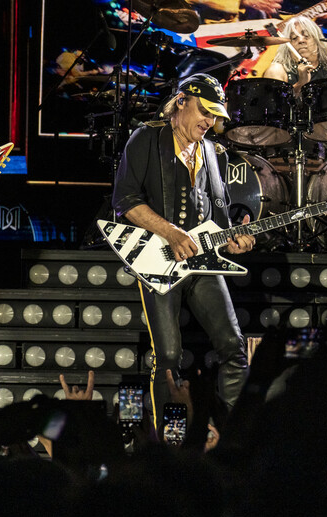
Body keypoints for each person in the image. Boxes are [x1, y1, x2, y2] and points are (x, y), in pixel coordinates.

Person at [110, 73, 256, 433]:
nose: (209, 122)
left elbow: (218, 219)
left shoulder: (213, 153)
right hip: (158, 260)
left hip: (202, 263)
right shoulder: (147, 138)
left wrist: (234, 240)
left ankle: (233, 435)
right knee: (168, 356)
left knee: (233, 347)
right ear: (180, 102)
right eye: (204, 112)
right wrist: (171, 232)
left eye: (215, 116)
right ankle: (170, 439)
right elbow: (125, 200)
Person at [263, 15, 327, 94]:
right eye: (294, 38)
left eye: (306, 35)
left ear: (317, 41)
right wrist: (301, 83)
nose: (301, 40)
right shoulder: (276, 71)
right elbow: (275, 104)